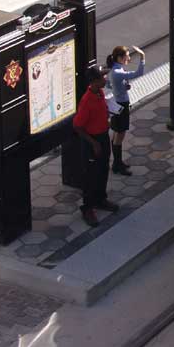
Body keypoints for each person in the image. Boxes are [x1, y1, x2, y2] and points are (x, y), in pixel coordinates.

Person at [73, 66, 120, 227]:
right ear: (94, 82)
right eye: (101, 78)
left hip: (102, 137)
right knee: (90, 175)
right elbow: (78, 126)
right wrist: (93, 144)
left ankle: (100, 199)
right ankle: (87, 208)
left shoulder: (99, 93)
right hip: (92, 142)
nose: (105, 79)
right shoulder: (86, 101)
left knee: (103, 169)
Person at [106, 45, 146, 176]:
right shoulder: (118, 72)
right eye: (127, 56)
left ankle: (117, 162)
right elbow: (139, 73)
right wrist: (142, 57)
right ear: (120, 58)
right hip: (121, 105)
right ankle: (117, 164)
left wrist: (121, 87)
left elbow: (108, 84)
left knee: (117, 133)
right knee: (120, 134)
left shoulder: (114, 69)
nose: (129, 58)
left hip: (117, 103)